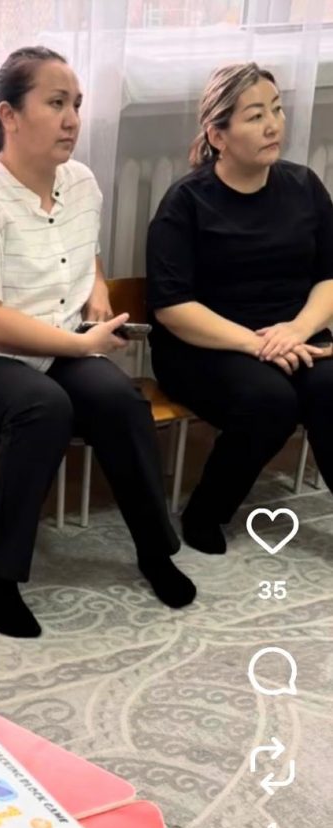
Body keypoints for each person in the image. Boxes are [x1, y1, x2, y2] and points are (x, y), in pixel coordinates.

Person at [0, 46, 195, 640]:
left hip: (55, 344)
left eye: (76, 104)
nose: (72, 119)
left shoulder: (81, 182)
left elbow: (84, 253)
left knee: (120, 401)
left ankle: (155, 552)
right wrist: (83, 346)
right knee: (42, 407)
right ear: (9, 116)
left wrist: (96, 292)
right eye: (55, 103)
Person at [146, 63, 333, 555]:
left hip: (294, 337)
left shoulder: (305, 186)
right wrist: (258, 344)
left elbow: (329, 278)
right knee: (270, 401)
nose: (273, 125)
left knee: (330, 388)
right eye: (255, 116)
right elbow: (173, 307)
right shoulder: (186, 202)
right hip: (204, 346)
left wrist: (297, 331)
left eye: (277, 110)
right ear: (218, 135)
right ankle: (205, 513)